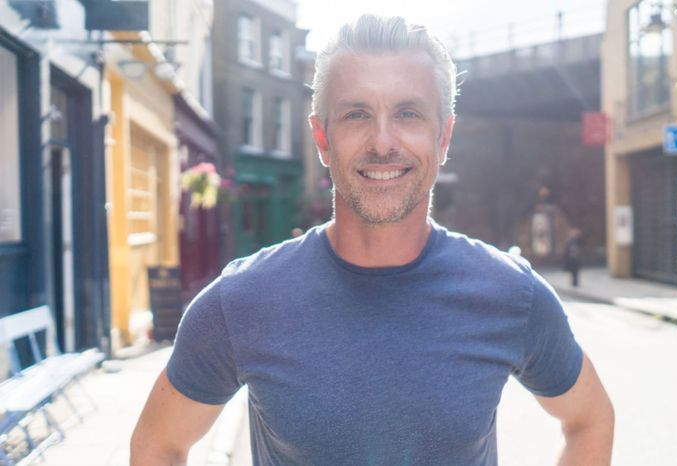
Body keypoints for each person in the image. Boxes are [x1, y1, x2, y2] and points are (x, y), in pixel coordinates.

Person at [131, 14, 614, 465]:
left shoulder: (511, 294)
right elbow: (159, 443)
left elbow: (590, 419)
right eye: (357, 115)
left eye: (408, 114)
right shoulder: (243, 301)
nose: (383, 142)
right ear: (322, 138)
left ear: (443, 137)